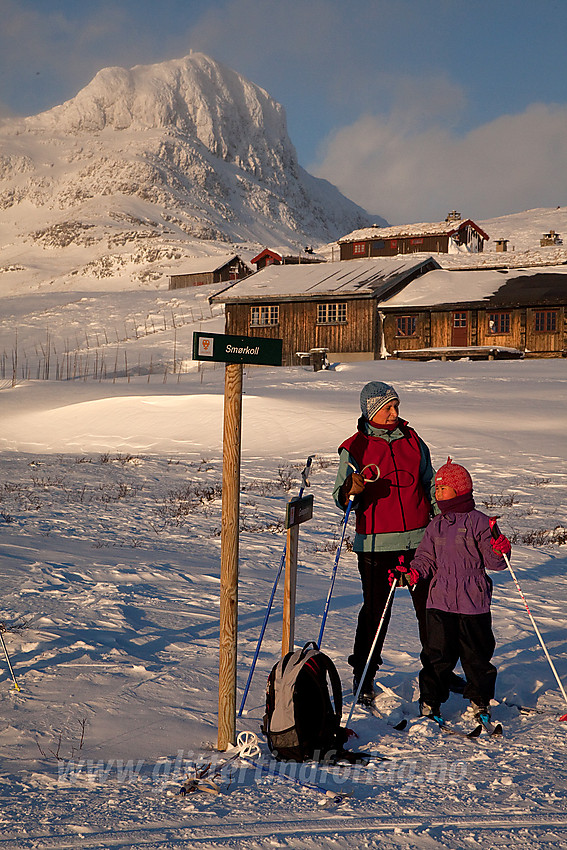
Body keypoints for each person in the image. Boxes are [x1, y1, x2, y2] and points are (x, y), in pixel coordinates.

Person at [333, 380, 438, 704]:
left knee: (431, 611)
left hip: (420, 539)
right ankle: (363, 676)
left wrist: (444, 515)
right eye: (387, 408)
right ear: (371, 411)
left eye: (396, 407)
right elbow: (341, 496)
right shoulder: (355, 447)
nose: (394, 413)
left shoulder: (413, 440)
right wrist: (352, 488)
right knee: (376, 612)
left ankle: (438, 672)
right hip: (377, 544)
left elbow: (429, 481)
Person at [391, 458, 511, 721]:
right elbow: (425, 559)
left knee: (476, 655)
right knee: (437, 655)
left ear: (459, 491)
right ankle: (430, 701)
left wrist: (500, 548)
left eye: (442, 489)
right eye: (436, 488)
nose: (437, 492)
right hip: (439, 600)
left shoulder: (480, 523)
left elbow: (496, 563)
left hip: (473, 600)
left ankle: (480, 700)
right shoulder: (436, 525)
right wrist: (412, 572)